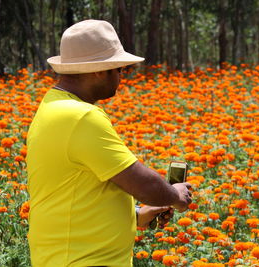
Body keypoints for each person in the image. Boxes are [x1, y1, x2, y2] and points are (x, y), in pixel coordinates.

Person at [26, 19, 192, 267]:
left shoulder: (52, 106)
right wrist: (174, 195)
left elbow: (78, 190)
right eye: (119, 69)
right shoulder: (81, 117)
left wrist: (137, 215)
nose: (121, 77)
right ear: (98, 70)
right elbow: (143, 184)